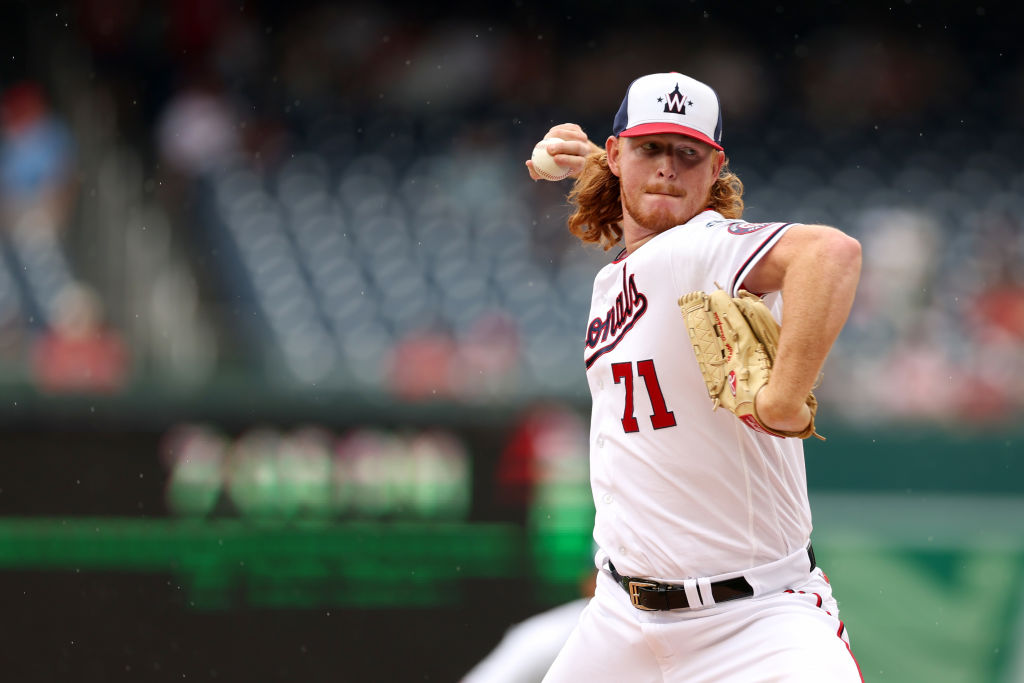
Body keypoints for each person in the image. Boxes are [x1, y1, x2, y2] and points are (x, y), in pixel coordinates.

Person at [525, 72, 863, 682]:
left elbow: (831, 254)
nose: (668, 168)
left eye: (689, 154)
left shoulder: (703, 248)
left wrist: (784, 401)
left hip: (757, 622)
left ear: (715, 170)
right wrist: (578, 170)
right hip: (621, 619)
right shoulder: (624, 272)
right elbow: (645, 223)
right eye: (649, 148)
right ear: (615, 154)